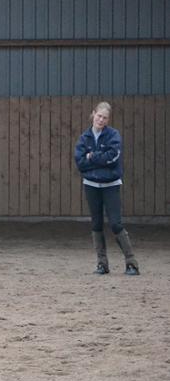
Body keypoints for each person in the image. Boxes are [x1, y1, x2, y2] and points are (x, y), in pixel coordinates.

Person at [74, 101, 139, 275]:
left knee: (116, 223)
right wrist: (99, 159)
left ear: (108, 120)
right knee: (96, 224)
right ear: (93, 114)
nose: (101, 120)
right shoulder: (84, 138)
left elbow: (112, 158)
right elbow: (80, 162)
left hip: (111, 185)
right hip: (91, 185)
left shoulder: (113, 135)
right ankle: (102, 264)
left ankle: (131, 262)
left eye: (105, 117)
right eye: (99, 116)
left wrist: (92, 157)